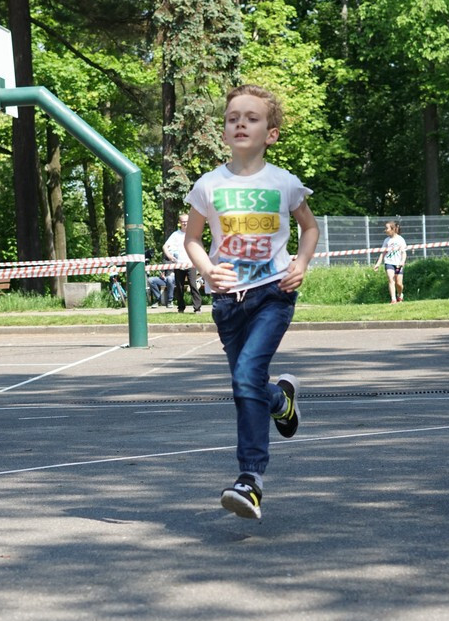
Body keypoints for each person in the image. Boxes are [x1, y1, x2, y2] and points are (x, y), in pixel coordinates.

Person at [183, 84, 320, 520]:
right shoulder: (208, 185)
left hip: (273, 293)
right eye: (232, 117)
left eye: (252, 117)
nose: (240, 122)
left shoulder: (284, 183)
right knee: (249, 384)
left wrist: (301, 262)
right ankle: (279, 400)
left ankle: (251, 479)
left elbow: (310, 229)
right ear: (224, 131)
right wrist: (207, 271)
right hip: (227, 302)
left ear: (271, 134)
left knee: (244, 375)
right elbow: (192, 239)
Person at [164, 213, 202, 313]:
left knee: (193, 285)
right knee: (179, 287)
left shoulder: (193, 233)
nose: (185, 223)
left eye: (187, 221)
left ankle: (197, 308)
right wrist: (169, 256)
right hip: (179, 264)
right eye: (183, 221)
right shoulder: (175, 235)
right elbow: (165, 247)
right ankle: (181, 308)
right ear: (179, 223)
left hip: (190, 264)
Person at [373, 221, 407, 303]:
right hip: (389, 263)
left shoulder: (400, 239)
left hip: (398, 264)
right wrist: (378, 264)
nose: (385, 230)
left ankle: (400, 295)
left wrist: (402, 261)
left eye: (387, 228)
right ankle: (393, 299)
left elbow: (404, 253)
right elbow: (383, 253)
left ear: (393, 229)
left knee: (399, 283)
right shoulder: (386, 240)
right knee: (391, 280)